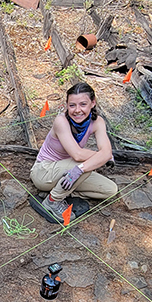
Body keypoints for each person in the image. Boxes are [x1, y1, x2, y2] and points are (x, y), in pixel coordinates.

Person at [29, 82, 118, 224]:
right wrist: (103, 156)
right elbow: (78, 154)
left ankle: (60, 189)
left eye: (83, 104)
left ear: (93, 103)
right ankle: (52, 200)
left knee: (110, 190)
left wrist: (105, 155)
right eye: (72, 105)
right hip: (44, 172)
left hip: (68, 172)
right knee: (86, 164)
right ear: (66, 105)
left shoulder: (97, 122)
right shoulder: (61, 121)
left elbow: (106, 151)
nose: (77, 110)